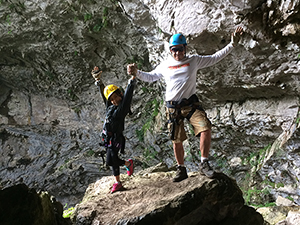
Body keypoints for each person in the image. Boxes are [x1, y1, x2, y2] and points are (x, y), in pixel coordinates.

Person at [127, 27, 243, 182]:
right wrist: (137, 73)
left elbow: (215, 57)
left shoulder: (194, 60)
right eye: (174, 50)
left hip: (190, 104)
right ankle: (181, 168)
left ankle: (204, 163)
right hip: (173, 107)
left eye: (180, 50)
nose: (177, 53)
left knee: (205, 128)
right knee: (177, 139)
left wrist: (232, 44)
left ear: (185, 48)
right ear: (170, 50)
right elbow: (151, 77)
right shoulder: (165, 65)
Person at [91, 66, 135, 193]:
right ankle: (118, 182)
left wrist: (132, 80)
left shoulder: (122, 109)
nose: (114, 101)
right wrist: (99, 82)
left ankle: (128, 164)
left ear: (120, 95)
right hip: (108, 138)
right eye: (112, 99)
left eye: (116, 97)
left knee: (111, 160)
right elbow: (105, 96)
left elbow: (127, 97)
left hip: (116, 138)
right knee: (113, 160)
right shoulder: (111, 107)